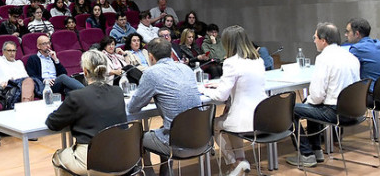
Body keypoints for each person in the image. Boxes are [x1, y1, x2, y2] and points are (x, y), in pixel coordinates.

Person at [286, 22, 360, 168]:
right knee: (311, 102)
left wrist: (309, 102)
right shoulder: (351, 56)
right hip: (354, 110)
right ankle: (316, 149)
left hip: (335, 112)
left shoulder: (323, 59)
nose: (314, 41)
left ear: (323, 40)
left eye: (315, 38)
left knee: (289, 109)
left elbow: (318, 95)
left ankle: (306, 154)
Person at [46, 50, 127, 175]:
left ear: (85, 71)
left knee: (59, 156)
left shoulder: (77, 96)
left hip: (94, 161)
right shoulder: (118, 92)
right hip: (123, 157)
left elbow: (52, 123)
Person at [128, 37, 201, 176]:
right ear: (170, 53)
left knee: (135, 137)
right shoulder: (186, 69)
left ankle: (148, 173)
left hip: (176, 142)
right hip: (201, 136)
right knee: (163, 131)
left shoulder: (151, 73)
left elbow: (132, 108)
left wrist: (150, 97)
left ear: (150, 56)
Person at [203, 25, 266, 175]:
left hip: (243, 121)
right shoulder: (258, 60)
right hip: (261, 118)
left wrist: (203, 90)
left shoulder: (231, 62)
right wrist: (221, 84)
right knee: (228, 121)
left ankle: (235, 164)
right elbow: (244, 81)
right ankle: (239, 161)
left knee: (215, 125)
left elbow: (220, 96)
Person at [342, 18, 380, 92]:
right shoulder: (379, 43)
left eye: (347, 31)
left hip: (373, 95)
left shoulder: (357, 49)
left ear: (357, 34)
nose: (345, 35)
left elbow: (344, 69)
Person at [0, 41, 38, 105]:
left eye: (14, 51)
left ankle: (25, 105)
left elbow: (26, 78)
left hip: (21, 87)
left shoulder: (19, 63)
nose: (12, 53)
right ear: (3, 51)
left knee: (29, 81)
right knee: (29, 89)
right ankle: (26, 106)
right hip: (7, 88)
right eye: (9, 50)